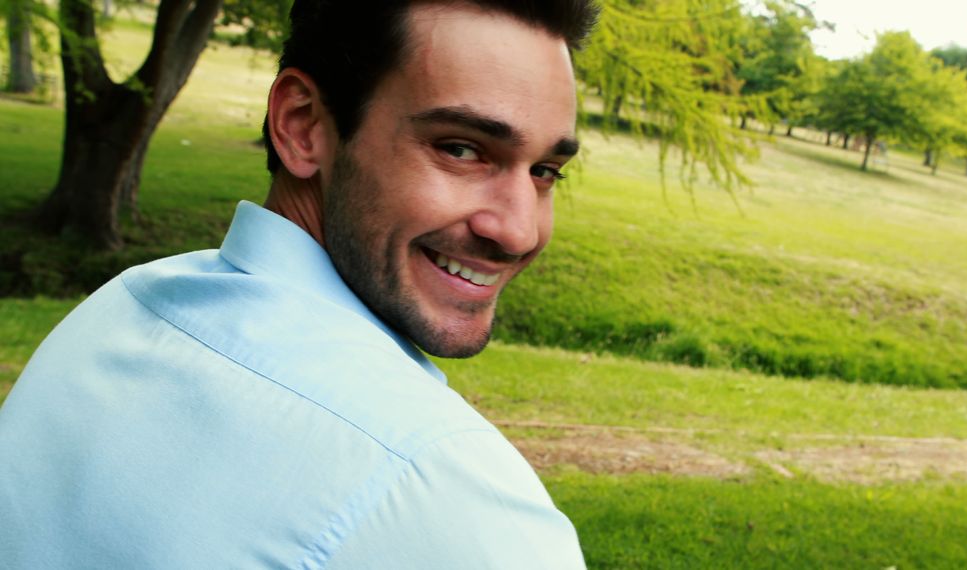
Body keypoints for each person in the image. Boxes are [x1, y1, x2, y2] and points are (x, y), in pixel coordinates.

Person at [0, 1, 598, 567]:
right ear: (302, 126)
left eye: (545, 171)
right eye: (461, 149)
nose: (519, 231)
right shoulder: (445, 485)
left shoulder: (117, 310)